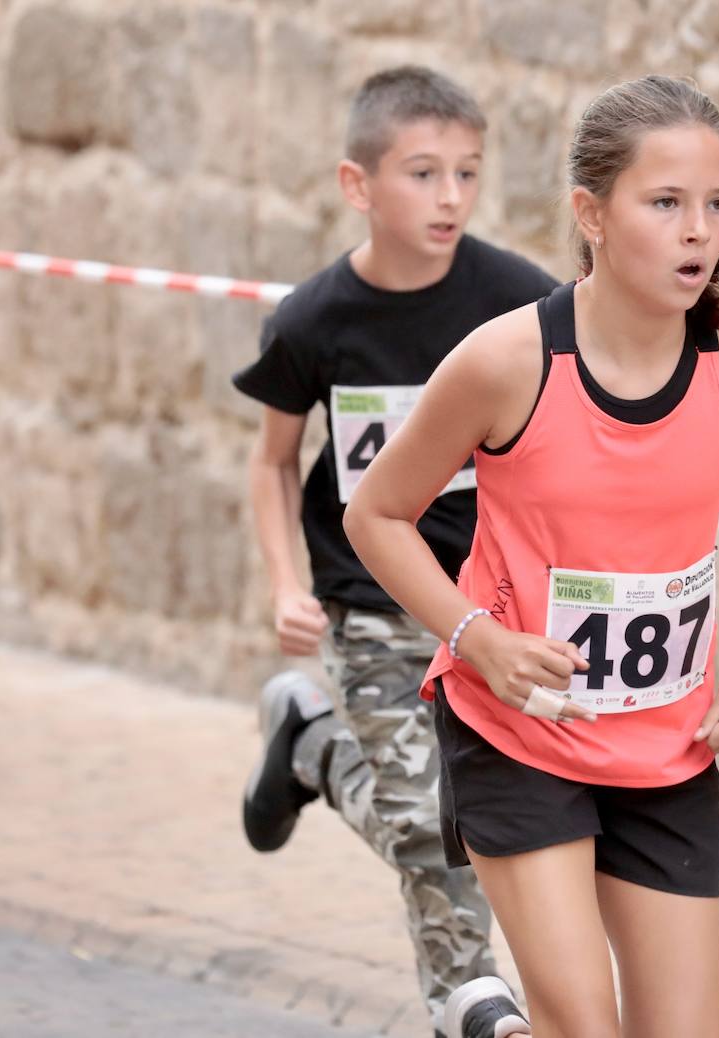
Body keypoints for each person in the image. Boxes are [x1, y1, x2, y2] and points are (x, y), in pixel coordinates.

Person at [344, 75, 719, 1038]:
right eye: (666, 203)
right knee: (587, 1026)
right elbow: (377, 515)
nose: (699, 232)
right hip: (521, 733)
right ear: (591, 215)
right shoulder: (506, 363)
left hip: (667, 748)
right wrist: (478, 640)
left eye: (718, 204)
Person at [231, 65, 558, 1037]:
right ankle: (473, 1001)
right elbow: (274, 463)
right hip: (372, 605)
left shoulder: (518, 300)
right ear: (357, 185)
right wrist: (285, 582)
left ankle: (312, 745)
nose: (450, 196)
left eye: (468, 172)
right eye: (422, 173)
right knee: (424, 817)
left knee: (486, 810)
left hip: (493, 609)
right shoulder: (313, 321)